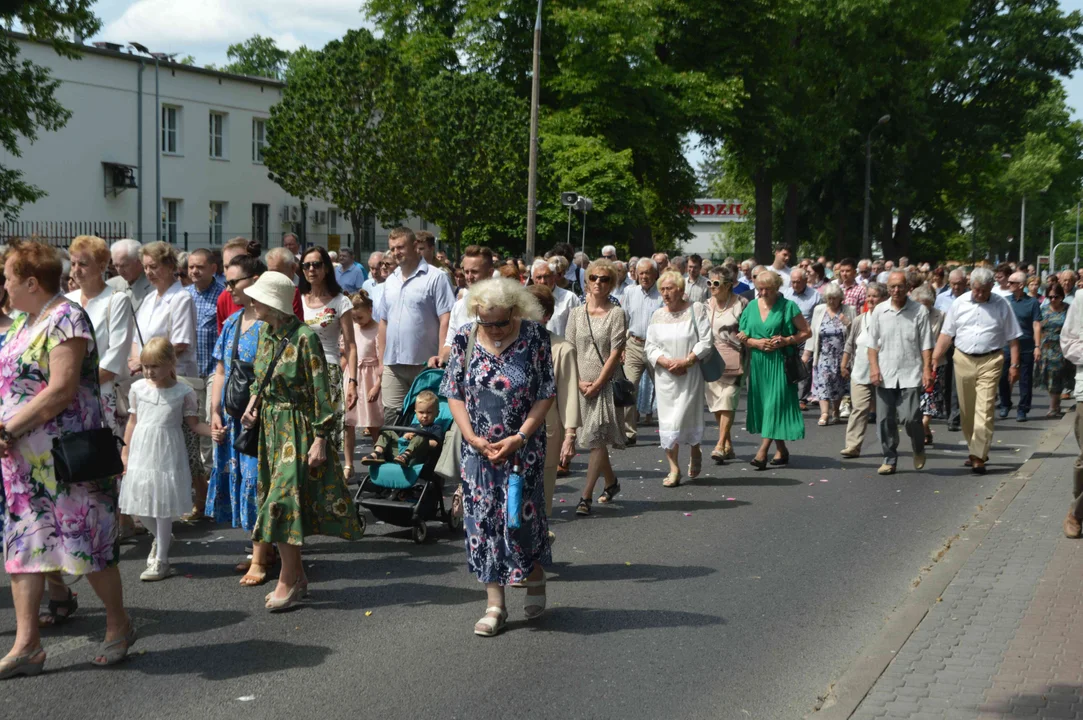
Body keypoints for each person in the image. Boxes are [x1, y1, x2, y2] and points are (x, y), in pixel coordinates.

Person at [0, 239, 134, 674]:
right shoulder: (23, 321)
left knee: (87, 545)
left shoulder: (66, 318)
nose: (4, 285)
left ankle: (118, 625)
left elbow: (61, 390)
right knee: (24, 549)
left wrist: (9, 428)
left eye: (8, 278)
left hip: (65, 457)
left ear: (32, 282)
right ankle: (27, 646)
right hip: (22, 461)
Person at [440, 277, 555, 636]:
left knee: (518, 522)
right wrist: (472, 437)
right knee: (483, 524)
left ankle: (534, 577)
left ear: (516, 311)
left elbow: (545, 392)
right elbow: (454, 391)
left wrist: (521, 436)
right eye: (486, 321)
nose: (493, 328)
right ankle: (495, 604)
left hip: (523, 450)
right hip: (479, 452)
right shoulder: (464, 336)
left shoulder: (535, 337)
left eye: (501, 321)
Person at [240, 272, 361, 611]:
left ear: (273, 303)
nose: (252, 303)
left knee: (281, 501)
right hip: (270, 427)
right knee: (273, 499)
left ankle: (288, 579)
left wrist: (322, 438)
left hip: (298, 427)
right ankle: (299, 576)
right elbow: (259, 380)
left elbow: (322, 392)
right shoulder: (266, 332)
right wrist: (252, 408)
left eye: (258, 298)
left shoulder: (305, 337)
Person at [119, 338, 212, 581]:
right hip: (141, 450)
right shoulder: (138, 388)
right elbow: (133, 421)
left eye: (155, 366)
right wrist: (125, 452)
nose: (149, 371)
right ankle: (162, 537)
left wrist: (212, 430)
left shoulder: (184, 392)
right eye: (145, 366)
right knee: (140, 504)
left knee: (161, 507)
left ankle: (162, 560)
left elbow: (193, 424)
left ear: (171, 363)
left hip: (168, 452)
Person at [205, 252, 271, 584]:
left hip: (261, 420)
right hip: (234, 417)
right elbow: (220, 370)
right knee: (243, 483)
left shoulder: (271, 324)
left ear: (255, 281)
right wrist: (215, 411)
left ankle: (261, 559)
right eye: (227, 281)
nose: (228, 288)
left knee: (258, 484)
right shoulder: (232, 322)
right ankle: (260, 550)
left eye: (234, 282)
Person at [128, 242, 204, 518]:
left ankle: (200, 498)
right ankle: (164, 499)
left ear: (171, 267)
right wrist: (137, 360)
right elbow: (137, 339)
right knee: (160, 443)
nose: (149, 272)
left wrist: (149, 360)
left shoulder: (181, 298)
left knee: (185, 440)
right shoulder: (149, 299)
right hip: (150, 377)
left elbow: (181, 341)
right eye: (145, 267)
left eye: (154, 267)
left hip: (176, 375)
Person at [932, 268, 1022, 475]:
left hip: (990, 360)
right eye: (976, 289)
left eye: (984, 290)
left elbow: (1013, 338)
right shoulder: (960, 303)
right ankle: (975, 448)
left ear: (992, 287)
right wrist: (935, 358)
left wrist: (1015, 365)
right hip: (963, 359)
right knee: (966, 410)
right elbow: (947, 333)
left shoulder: (1002, 305)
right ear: (970, 286)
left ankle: (978, 456)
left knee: (985, 408)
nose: (980, 294)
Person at [565, 260, 627, 514]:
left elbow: (615, 353)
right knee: (593, 441)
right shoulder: (576, 314)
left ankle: (585, 496)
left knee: (596, 439)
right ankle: (610, 482)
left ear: (611, 284)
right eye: (593, 278)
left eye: (604, 279)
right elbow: (569, 349)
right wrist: (578, 381)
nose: (598, 283)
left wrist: (599, 383)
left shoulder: (616, 313)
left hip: (605, 385)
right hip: (580, 383)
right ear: (587, 281)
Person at [376, 227, 455, 418]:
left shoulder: (436, 277)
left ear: (415, 246)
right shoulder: (390, 281)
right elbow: (383, 322)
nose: (396, 252)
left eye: (400, 247)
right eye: (393, 248)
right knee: (393, 418)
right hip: (393, 364)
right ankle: (397, 449)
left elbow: (446, 318)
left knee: (426, 419)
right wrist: (381, 362)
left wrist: (441, 355)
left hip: (425, 364)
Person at [645, 270, 714, 487]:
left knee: (686, 417)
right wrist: (665, 362)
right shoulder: (657, 315)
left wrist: (688, 361)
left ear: (681, 290)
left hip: (689, 373)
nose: (665, 293)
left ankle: (695, 449)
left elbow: (706, 340)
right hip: (666, 376)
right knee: (668, 423)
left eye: (669, 289)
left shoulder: (696, 309)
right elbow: (650, 346)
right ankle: (674, 468)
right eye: (662, 289)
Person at [736, 269, 811, 469]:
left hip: (780, 363)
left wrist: (786, 340)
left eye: (768, 289)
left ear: (777, 288)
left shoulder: (789, 306)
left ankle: (762, 452)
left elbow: (806, 332)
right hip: (759, 364)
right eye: (760, 289)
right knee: (766, 407)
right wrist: (754, 342)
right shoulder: (751, 306)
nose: (763, 293)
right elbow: (742, 334)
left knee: (773, 406)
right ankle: (782, 450)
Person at [866, 272, 934, 475]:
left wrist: (927, 369)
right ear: (887, 288)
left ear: (908, 288)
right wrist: (874, 368)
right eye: (892, 287)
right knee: (885, 419)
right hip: (885, 372)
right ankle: (889, 458)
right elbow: (871, 343)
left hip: (910, 372)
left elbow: (926, 344)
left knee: (911, 417)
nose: (896, 290)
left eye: (900, 286)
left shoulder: (919, 311)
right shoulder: (880, 310)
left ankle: (918, 446)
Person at [66, 235, 133, 435]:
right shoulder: (66, 300)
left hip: (102, 398)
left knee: (104, 461)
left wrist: (73, 383)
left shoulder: (117, 300)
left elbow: (115, 358)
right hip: (67, 399)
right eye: (73, 263)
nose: (76, 270)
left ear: (102, 265)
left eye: (83, 264)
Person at [526, 284, 580, 527]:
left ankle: (536, 549)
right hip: (510, 431)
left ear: (546, 316)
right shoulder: (507, 346)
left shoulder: (562, 349)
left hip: (547, 431)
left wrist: (570, 435)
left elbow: (569, 395)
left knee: (541, 495)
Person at [298, 246, 358, 460]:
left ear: (326, 268)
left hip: (329, 371)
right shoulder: (297, 299)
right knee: (304, 433)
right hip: (301, 372)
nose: (311, 269)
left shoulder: (340, 301)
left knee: (327, 435)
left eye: (316, 264)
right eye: (306, 265)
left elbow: (351, 345)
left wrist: (352, 381)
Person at [185, 248, 225, 522]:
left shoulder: (222, 295)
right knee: (193, 429)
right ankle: (201, 492)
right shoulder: (184, 297)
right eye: (190, 267)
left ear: (213, 268)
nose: (194, 272)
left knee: (211, 427)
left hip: (214, 370)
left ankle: (212, 495)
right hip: (189, 371)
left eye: (199, 267)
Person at [704, 265, 748, 463]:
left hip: (736, 359)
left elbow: (750, 327)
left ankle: (720, 444)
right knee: (716, 404)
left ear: (729, 285)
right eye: (709, 283)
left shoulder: (742, 304)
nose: (712, 287)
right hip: (712, 360)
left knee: (728, 400)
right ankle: (728, 445)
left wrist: (746, 333)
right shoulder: (706, 305)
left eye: (716, 283)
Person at [840, 282, 887, 458]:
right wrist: (844, 363)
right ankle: (852, 446)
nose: (871, 299)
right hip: (860, 371)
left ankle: (888, 447)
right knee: (859, 409)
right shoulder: (860, 320)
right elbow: (850, 343)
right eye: (869, 296)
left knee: (884, 413)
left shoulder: (889, 319)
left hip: (885, 373)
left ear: (884, 299)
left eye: (875, 296)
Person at [619, 258, 663, 445]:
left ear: (655, 274)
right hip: (634, 345)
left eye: (648, 273)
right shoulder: (630, 292)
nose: (644, 276)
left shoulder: (663, 293)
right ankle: (629, 432)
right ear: (636, 274)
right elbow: (623, 320)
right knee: (629, 389)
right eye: (641, 273)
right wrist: (621, 346)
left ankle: (668, 431)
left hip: (657, 347)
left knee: (663, 390)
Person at [343, 290, 382, 479]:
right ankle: (349, 464)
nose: (357, 321)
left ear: (370, 309)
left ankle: (378, 458)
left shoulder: (378, 329)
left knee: (374, 422)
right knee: (348, 422)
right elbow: (346, 354)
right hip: (352, 377)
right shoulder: (352, 328)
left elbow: (382, 359)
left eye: (360, 316)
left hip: (371, 377)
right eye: (354, 318)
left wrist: (378, 384)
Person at [804, 283, 854, 425]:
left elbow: (856, 333)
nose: (831, 301)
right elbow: (813, 332)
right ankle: (824, 413)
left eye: (834, 298)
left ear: (840, 298)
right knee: (823, 384)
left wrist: (849, 324)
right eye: (829, 298)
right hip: (823, 356)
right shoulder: (819, 310)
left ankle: (836, 410)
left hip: (842, 356)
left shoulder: (849, 310)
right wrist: (807, 354)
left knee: (838, 385)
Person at [998, 271, 1041, 422]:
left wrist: (1037, 346)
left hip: (1027, 345)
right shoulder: (1005, 301)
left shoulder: (1032, 303)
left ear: (1021, 285)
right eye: (1008, 282)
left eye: (1012, 282)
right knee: (1003, 377)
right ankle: (1005, 403)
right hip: (1007, 346)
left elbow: (1036, 324)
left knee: (1025, 379)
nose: (1008, 284)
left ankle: (1023, 409)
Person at [362, 390, 444, 466]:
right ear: (415, 412)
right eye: (421, 412)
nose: (425, 416)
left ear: (437, 413)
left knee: (420, 436)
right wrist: (405, 437)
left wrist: (420, 441)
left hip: (417, 457)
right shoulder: (413, 426)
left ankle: (407, 455)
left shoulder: (436, 428)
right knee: (387, 432)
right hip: (400, 453)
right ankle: (378, 453)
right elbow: (402, 441)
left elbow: (435, 444)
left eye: (429, 412)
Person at [913, 284, 946, 445]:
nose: (923, 308)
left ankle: (925, 425)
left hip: (935, 364)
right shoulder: (911, 315)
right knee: (916, 402)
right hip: (913, 365)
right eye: (920, 304)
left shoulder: (940, 315)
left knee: (930, 397)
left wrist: (935, 356)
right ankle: (924, 429)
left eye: (927, 304)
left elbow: (944, 338)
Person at [785, 267, 821, 410]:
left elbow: (818, 317)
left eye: (798, 282)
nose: (795, 285)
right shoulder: (786, 294)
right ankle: (789, 395)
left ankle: (802, 398)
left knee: (804, 365)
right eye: (793, 282)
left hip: (807, 335)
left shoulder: (815, 296)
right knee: (788, 364)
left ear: (805, 281)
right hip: (790, 334)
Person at [1038, 284, 1071, 417]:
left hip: (1062, 346)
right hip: (1046, 347)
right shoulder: (1043, 309)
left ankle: (1053, 406)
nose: (1052, 299)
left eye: (1056, 297)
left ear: (1061, 296)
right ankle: (1056, 404)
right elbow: (1038, 327)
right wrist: (1037, 346)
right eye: (1050, 297)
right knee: (1049, 377)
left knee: (1057, 375)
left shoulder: (1067, 309)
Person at [531, 258, 580, 337]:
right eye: (539, 277)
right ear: (532, 278)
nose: (543, 281)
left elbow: (578, 329)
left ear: (554, 277)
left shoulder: (569, 298)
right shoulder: (525, 299)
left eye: (546, 276)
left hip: (561, 347)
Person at [106, 238, 153, 312]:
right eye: (116, 265)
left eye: (124, 265)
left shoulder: (155, 288)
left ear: (140, 262)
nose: (120, 271)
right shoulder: (109, 286)